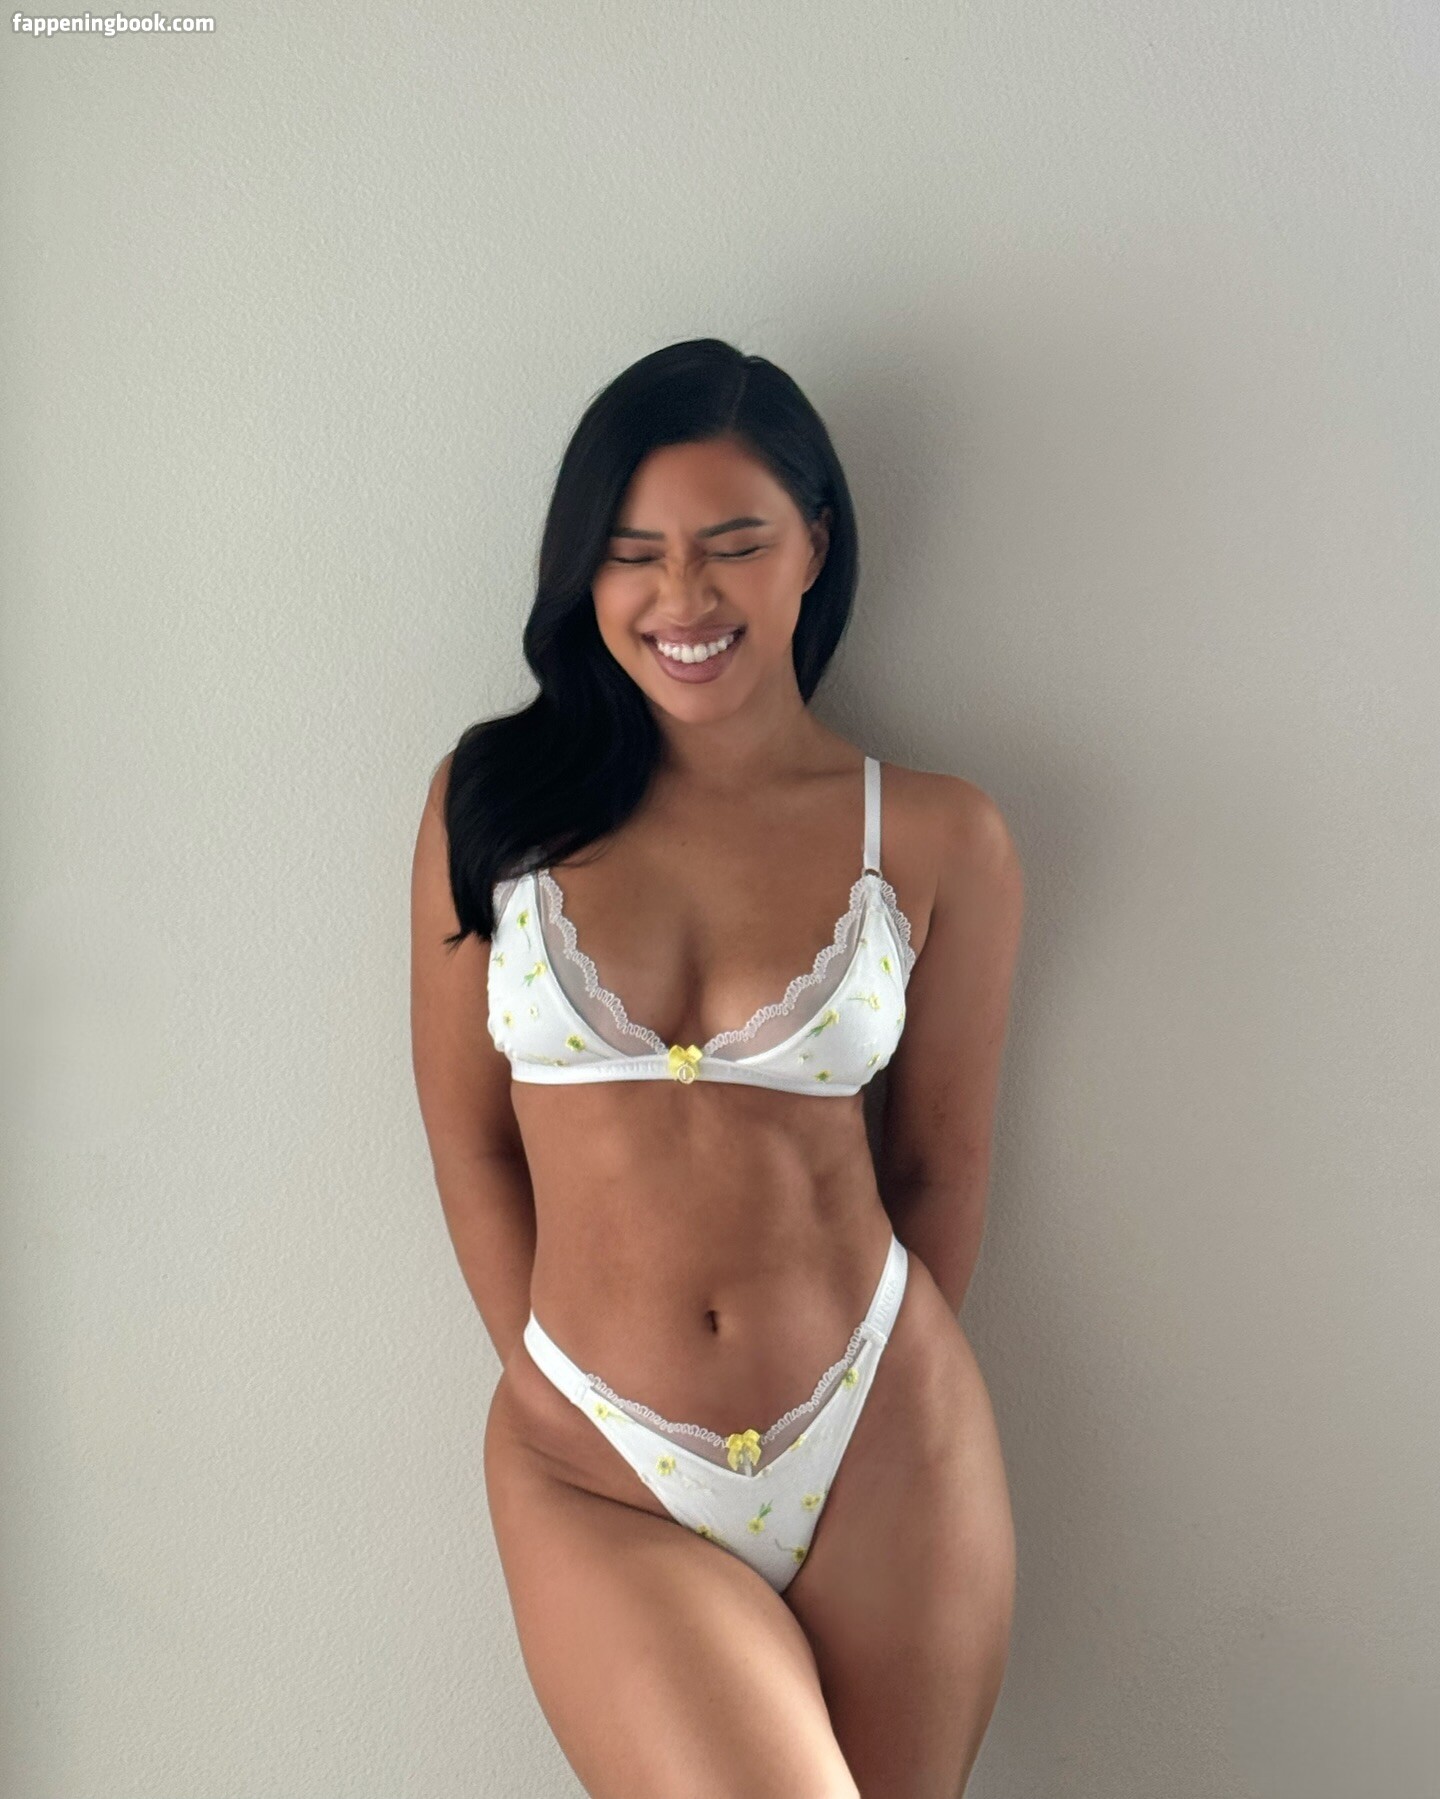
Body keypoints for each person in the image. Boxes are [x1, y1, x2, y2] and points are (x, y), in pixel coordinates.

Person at [410, 338, 1025, 1799]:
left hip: (886, 1444)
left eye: (732, 545)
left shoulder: (939, 836)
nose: (681, 598)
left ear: (813, 545)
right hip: (593, 1463)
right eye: (633, 556)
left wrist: (882, 1392)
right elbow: (468, 1138)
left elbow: (939, 1162)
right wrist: (552, 1385)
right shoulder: (491, 807)